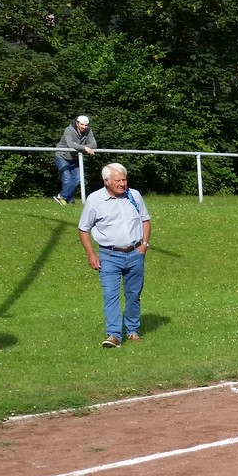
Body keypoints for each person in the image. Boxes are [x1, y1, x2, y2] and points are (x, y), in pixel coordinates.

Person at [77, 162, 151, 348]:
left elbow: (145, 220)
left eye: (124, 180)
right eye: (118, 180)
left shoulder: (134, 195)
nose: (122, 184)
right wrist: (91, 254)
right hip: (109, 256)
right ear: (106, 181)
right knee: (110, 295)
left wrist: (144, 245)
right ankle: (114, 335)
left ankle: (133, 331)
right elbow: (83, 229)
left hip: (135, 253)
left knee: (133, 294)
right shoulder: (95, 200)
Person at [54, 115, 97, 205]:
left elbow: (94, 144)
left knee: (78, 178)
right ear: (77, 123)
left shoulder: (88, 131)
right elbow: (71, 144)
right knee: (67, 179)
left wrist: (84, 148)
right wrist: (85, 148)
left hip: (74, 158)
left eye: (86, 125)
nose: (84, 127)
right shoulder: (69, 130)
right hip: (62, 156)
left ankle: (62, 196)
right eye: (82, 125)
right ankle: (70, 200)